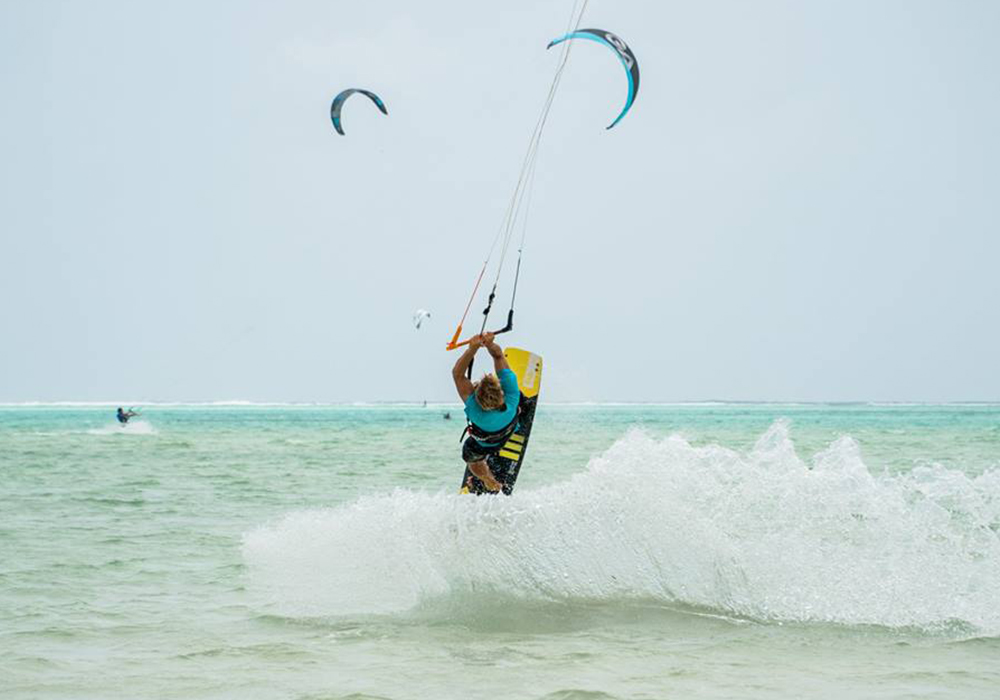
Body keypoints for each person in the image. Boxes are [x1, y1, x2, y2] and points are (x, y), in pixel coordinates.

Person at [452, 332, 521, 493]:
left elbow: (457, 374)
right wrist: (489, 344)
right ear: (501, 392)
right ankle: (522, 414)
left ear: (476, 397)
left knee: (472, 458)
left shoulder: (474, 409)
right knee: (520, 398)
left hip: (483, 445)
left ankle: (488, 479)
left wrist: (472, 349)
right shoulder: (511, 397)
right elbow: (498, 356)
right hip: (508, 430)